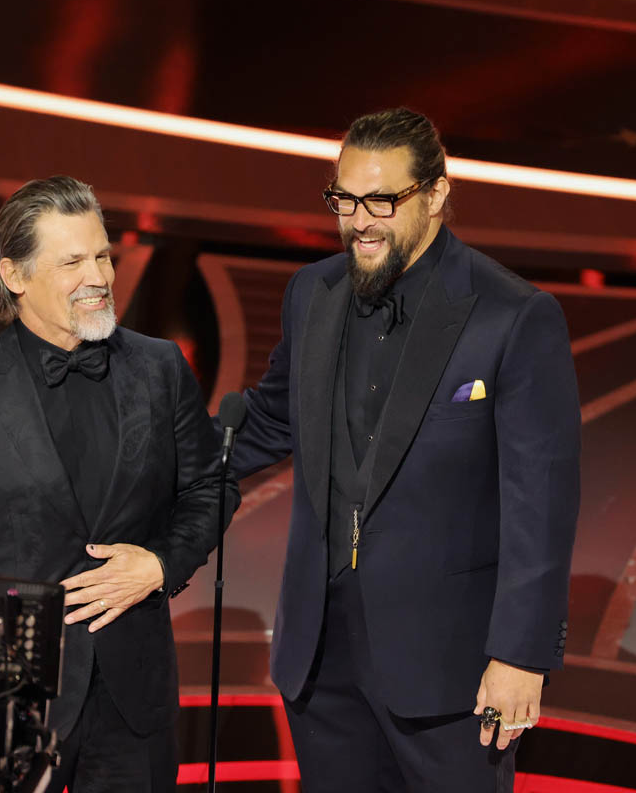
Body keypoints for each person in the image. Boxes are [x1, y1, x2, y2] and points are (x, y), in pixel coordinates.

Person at [229, 108, 581, 791]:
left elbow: (541, 501)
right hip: (320, 658)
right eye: (344, 200)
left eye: (382, 201)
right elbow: (269, 422)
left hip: (448, 669)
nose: (360, 221)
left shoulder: (511, 315)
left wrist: (520, 656)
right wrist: (148, 465)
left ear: (437, 194)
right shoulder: (312, 292)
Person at [0, 175, 237, 792]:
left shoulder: (160, 367)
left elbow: (211, 488)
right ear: (15, 275)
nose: (99, 276)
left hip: (133, 702)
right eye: (72, 262)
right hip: (9, 710)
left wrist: (161, 564)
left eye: (102, 256)